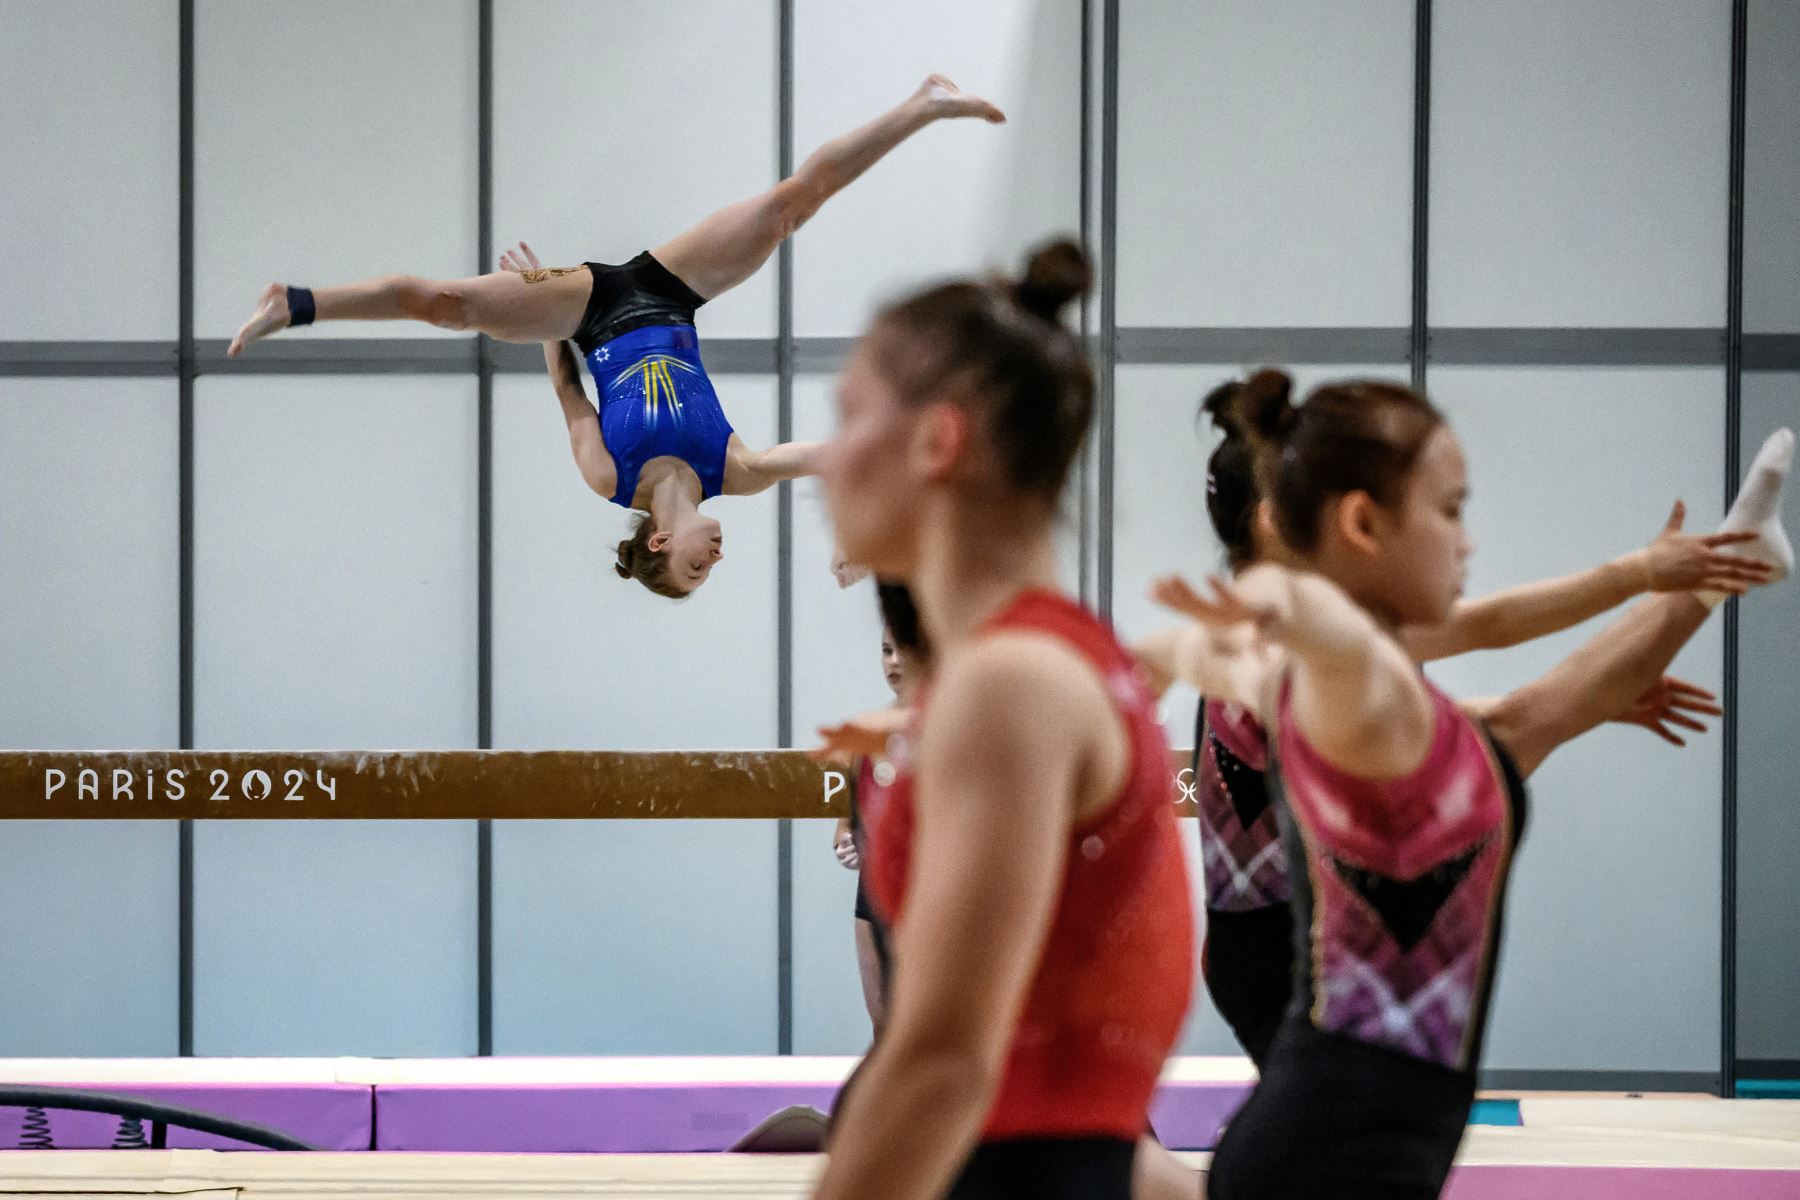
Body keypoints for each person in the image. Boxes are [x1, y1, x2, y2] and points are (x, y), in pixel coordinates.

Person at [1151, 370, 1791, 1198]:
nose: (1468, 539)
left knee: (1524, 722)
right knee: (1529, 720)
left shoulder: (1361, 670)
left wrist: (1662, 581)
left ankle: (1720, 570)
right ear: (1343, 522)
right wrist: (1641, 572)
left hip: (1353, 1111)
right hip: (1280, 988)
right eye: (1450, 510)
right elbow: (1479, 646)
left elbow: (1496, 666)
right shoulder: (1292, 650)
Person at [227, 77, 1003, 596]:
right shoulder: (736, 469)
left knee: (451, 305)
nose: (714, 563)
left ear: (662, 549)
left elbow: (569, 393)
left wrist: (532, 306)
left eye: (696, 573)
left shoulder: (609, 479)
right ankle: (925, 105)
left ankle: (293, 303)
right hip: (672, 292)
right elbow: (831, 457)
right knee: (789, 206)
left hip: (590, 310)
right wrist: (860, 534)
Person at [811, 241, 1193, 1200]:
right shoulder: (1065, 663)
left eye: (849, 413)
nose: (824, 456)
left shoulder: (1009, 685)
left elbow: (944, 1061)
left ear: (938, 442)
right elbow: (1076, 1099)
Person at [827, 582, 931, 1032]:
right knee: (885, 1031)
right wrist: (845, 844)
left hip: (929, 895)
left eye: (903, 650)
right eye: (886, 651)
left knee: (926, 1035)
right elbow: (846, 823)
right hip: (873, 895)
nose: (894, 662)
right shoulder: (864, 734)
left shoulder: (954, 729)